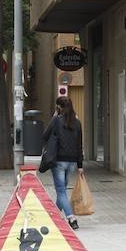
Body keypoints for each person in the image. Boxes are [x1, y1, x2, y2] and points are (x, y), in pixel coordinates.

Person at [42, 96, 84, 229]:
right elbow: (79, 145)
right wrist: (80, 166)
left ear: (59, 108)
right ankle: (53, 216)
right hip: (72, 162)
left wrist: (54, 117)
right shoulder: (77, 123)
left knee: (61, 191)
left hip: (59, 161)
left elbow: (45, 136)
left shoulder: (56, 121)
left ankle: (71, 218)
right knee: (62, 191)